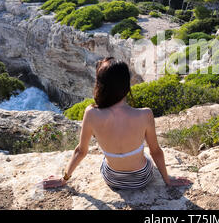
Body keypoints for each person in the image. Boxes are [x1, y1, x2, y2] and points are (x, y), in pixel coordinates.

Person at [41, 58, 191, 190]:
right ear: (126, 86)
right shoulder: (145, 114)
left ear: (100, 86)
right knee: (144, 155)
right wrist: (168, 180)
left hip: (112, 179)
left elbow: (81, 151)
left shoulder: (91, 113)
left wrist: (63, 179)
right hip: (141, 179)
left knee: (105, 158)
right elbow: (155, 151)